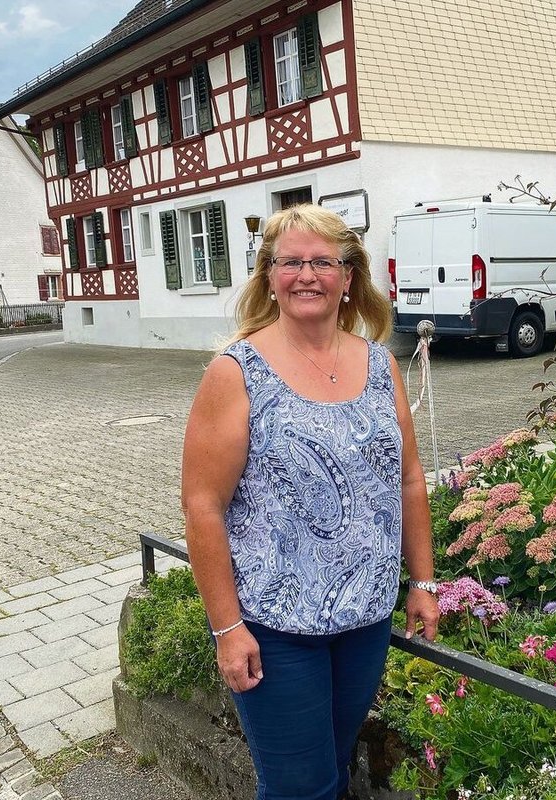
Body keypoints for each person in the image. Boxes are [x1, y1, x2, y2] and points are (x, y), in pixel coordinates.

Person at [180, 203, 440, 800]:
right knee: (301, 788)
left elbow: (408, 479)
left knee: (333, 766)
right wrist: (227, 628)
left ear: (348, 277)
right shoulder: (236, 372)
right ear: (269, 276)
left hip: (366, 618)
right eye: (290, 262)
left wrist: (423, 582)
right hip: (275, 627)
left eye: (322, 262)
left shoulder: (380, 364)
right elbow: (202, 506)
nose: (306, 275)